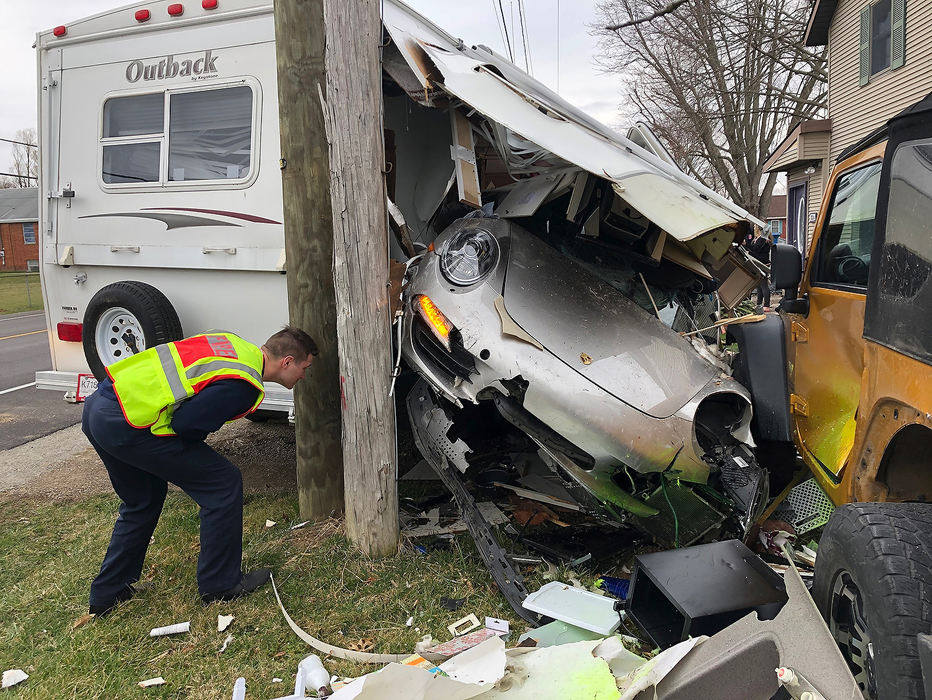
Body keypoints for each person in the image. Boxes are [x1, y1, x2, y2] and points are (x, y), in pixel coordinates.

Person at [82, 325, 318, 616]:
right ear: (287, 362)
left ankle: (108, 594)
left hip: (101, 407)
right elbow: (186, 425)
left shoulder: (233, 344)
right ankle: (220, 586)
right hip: (128, 423)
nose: (304, 376)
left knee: (142, 500)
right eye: (305, 367)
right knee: (222, 483)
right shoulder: (243, 384)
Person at [747, 228, 773, 311]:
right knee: (759, 285)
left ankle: (766, 304)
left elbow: (755, 250)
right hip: (759, 263)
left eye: (756, 227)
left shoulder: (763, 240)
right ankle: (759, 303)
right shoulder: (759, 239)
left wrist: (748, 251)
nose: (754, 228)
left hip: (762, 264)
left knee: (764, 284)